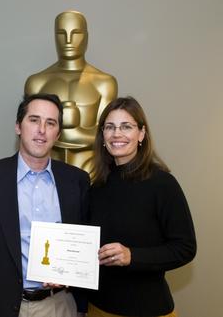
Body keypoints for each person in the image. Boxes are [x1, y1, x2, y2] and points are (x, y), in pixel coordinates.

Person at [0, 93, 90, 317]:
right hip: (4, 307)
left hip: (60, 305)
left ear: (58, 134)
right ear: (18, 127)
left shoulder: (77, 181)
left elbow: (82, 246)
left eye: (50, 123)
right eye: (34, 120)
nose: (41, 129)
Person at [88, 97, 197, 317]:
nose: (117, 134)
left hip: (148, 309)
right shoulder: (96, 186)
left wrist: (132, 256)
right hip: (98, 308)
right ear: (102, 137)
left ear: (141, 134)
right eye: (110, 127)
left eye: (126, 126)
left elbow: (185, 248)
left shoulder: (162, 184)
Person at [25, 10, 118, 173]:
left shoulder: (104, 83)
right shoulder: (37, 83)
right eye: (61, 34)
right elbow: (29, 134)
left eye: (76, 33)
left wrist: (73, 131)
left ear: (86, 37)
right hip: (45, 175)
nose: (68, 41)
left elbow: (107, 135)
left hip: (92, 174)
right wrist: (74, 131)